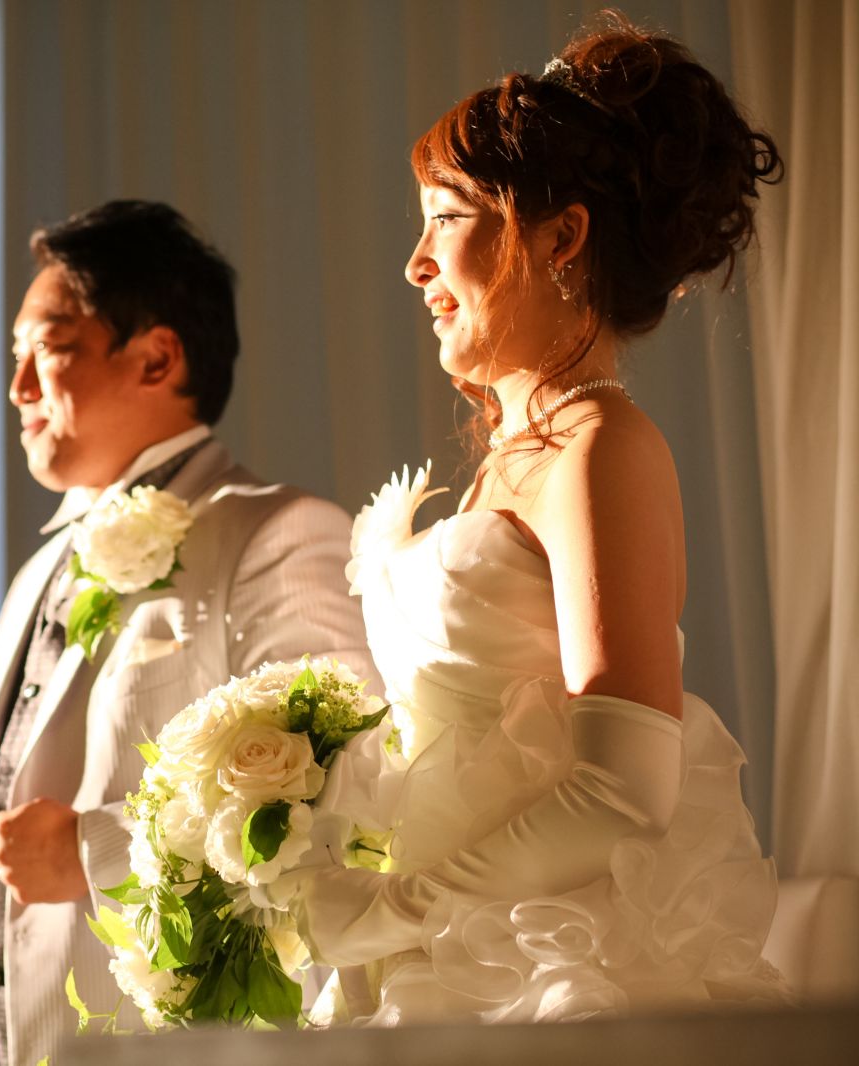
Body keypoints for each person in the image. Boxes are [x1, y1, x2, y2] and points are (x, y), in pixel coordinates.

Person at [285, 13, 788, 1023]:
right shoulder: (509, 460)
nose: (415, 264)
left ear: (561, 236)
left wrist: (393, 909)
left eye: (445, 217)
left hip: (539, 962)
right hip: (442, 950)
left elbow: (625, 787)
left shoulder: (602, 447)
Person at [0, 200, 377, 1065]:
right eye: (15, 356)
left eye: (50, 348)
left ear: (158, 357)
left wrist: (92, 852)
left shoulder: (276, 534)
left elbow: (340, 794)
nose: (19, 388)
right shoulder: (34, 576)